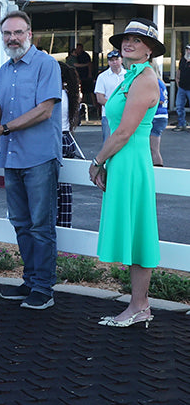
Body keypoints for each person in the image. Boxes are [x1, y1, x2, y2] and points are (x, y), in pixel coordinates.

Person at [0, 10, 62, 311]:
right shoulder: (6, 70)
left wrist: (5, 127)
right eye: (7, 34)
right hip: (13, 158)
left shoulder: (46, 64)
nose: (13, 38)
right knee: (22, 225)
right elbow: (2, 116)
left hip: (38, 157)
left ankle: (44, 288)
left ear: (30, 34)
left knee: (41, 226)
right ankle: (30, 280)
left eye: (18, 32)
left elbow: (44, 110)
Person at [89, 18, 163, 327]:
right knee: (134, 234)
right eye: (125, 38)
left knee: (139, 234)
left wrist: (97, 160)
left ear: (149, 50)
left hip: (130, 162)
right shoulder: (131, 76)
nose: (128, 43)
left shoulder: (144, 79)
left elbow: (123, 132)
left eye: (136, 39)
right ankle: (138, 305)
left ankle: (139, 306)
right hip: (124, 162)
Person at [57, 60, 87, 228]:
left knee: (53, 190)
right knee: (64, 189)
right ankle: (64, 225)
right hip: (66, 138)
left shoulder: (56, 97)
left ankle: (57, 225)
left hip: (57, 140)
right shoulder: (67, 93)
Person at [94, 50, 125, 142]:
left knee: (125, 142)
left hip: (126, 114)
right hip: (108, 115)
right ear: (108, 62)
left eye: (117, 59)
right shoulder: (102, 77)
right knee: (108, 142)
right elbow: (100, 98)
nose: (114, 62)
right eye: (111, 60)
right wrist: (114, 107)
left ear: (121, 60)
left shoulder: (128, 75)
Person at [69, 42, 93, 119]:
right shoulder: (72, 59)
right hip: (75, 78)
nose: (77, 51)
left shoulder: (85, 56)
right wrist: (86, 65)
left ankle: (89, 107)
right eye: (76, 49)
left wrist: (89, 74)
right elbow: (76, 65)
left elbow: (89, 64)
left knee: (88, 91)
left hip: (83, 77)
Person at [151, 72, 168, 167]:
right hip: (161, 117)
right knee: (153, 148)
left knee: (154, 148)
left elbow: (160, 99)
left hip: (157, 116)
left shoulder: (155, 82)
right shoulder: (161, 82)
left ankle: (158, 169)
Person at [176, 44, 190, 130]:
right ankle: (181, 124)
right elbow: (179, 71)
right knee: (179, 106)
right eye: (187, 49)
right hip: (182, 88)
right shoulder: (182, 60)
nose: (188, 51)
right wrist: (177, 80)